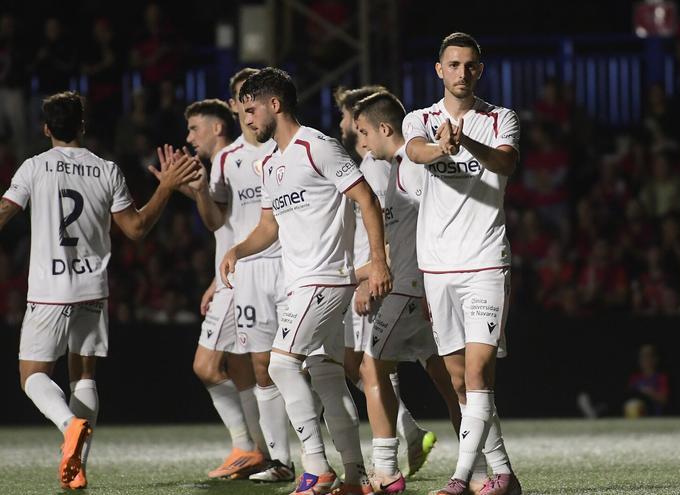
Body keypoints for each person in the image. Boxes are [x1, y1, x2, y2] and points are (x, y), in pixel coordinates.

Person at [0, 91, 199, 489]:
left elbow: (5, 212)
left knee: (32, 377)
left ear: (45, 128)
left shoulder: (34, 167)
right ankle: (77, 467)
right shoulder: (106, 170)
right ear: (82, 126)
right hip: (92, 288)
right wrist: (165, 188)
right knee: (84, 375)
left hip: (49, 289)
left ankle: (68, 425)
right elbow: (136, 229)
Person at [221, 67, 391, 495]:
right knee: (326, 375)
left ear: (274, 104)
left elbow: (367, 199)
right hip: (300, 283)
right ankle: (354, 476)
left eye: (251, 109)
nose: (247, 118)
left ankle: (315, 466)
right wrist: (238, 250)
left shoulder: (318, 146)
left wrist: (378, 263)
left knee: (280, 364)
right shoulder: (270, 163)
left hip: (325, 278)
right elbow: (268, 227)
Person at [403, 32, 522, 495]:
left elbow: (506, 163)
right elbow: (416, 151)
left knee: (477, 374)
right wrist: (443, 148)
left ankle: (460, 478)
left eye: (470, 65)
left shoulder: (500, 118)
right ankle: (503, 474)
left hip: (485, 262)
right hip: (437, 267)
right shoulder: (420, 118)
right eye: (453, 65)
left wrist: (465, 142)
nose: (462, 73)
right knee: (459, 382)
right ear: (439, 70)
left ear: (480, 70)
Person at [353, 90, 464, 492]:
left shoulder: (413, 168)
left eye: (364, 133)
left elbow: (437, 223)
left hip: (413, 288)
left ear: (385, 128)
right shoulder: (395, 168)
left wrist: (428, 284)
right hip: (418, 289)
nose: (362, 142)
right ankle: (477, 469)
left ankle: (386, 471)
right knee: (454, 385)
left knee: (370, 368)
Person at [159, 95, 273, 480]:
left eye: (195, 129)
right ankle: (261, 452)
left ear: (217, 127)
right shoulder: (225, 164)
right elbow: (224, 225)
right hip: (230, 276)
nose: (190, 137)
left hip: (244, 277)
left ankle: (248, 446)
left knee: (207, 366)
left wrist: (195, 190)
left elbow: (225, 224)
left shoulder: (238, 158)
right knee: (242, 369)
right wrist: (191, 189)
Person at [334, 85, 439, 478]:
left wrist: (372, 273)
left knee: (370, 365)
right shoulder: (383, 164)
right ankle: (424, 441)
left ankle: (387, 465)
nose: (345, 127)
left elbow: (392, 228)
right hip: (396, 279)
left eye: (349, 120)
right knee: (433, 371)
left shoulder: (381, 168)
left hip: (391, 281)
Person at [623, 344, 669, 417]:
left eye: (648, 356)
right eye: (642, 356)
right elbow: (628, 398)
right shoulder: (634, 378)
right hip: (635, 416)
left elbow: (664, 400)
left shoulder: (661, 378)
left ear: (655, 359)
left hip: (655, 416)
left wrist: (650, 393)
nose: (645, 359)